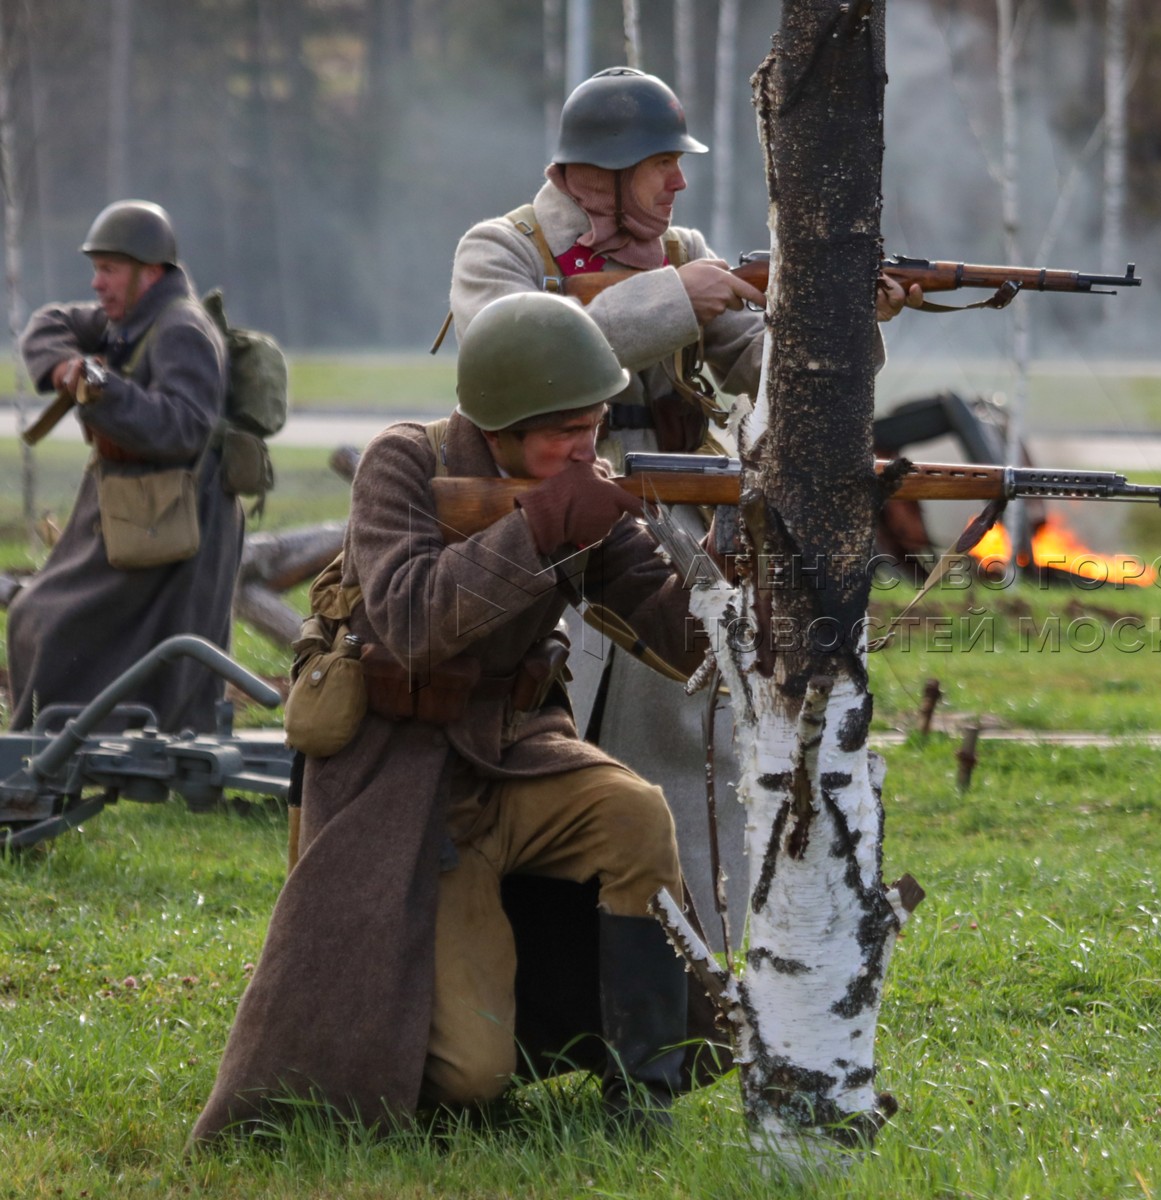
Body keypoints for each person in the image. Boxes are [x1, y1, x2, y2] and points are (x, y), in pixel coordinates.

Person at [193, 293, 714, 1142]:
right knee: (471, 1078)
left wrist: (732, 581)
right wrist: (542, 528)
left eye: (594, 427)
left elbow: (671, 625)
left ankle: (644, 1090)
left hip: (520, 757)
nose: (587, 451)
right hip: (404, 781)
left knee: (634, 815)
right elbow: (409, 617)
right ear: (502, 425)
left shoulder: (574, 484)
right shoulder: (404, 462)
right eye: (565, 433)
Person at [449, 67, 919, 951]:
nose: (680, 182)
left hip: (674, 538)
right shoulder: (500, 250)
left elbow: (776, 380)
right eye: (662, 162)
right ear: (594, 177)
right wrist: (674, 300)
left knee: (687, 762)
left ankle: (680, 970)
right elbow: (495, 359)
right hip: (542, 530)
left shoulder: (683, 248)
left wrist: (841, 324)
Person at [8, 200, 240, 734]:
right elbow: (50, 324)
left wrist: (103, 389)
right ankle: (52, 743)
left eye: (108, 269)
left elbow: (185, 427)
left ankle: (52, 747)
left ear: (148, 272)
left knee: (52, 620)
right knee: (38, 615)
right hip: (138, 510)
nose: (97, 284)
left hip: (176, 515)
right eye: (97, 269)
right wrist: (69, 365)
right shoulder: (132, 318)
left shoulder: (181, 329)